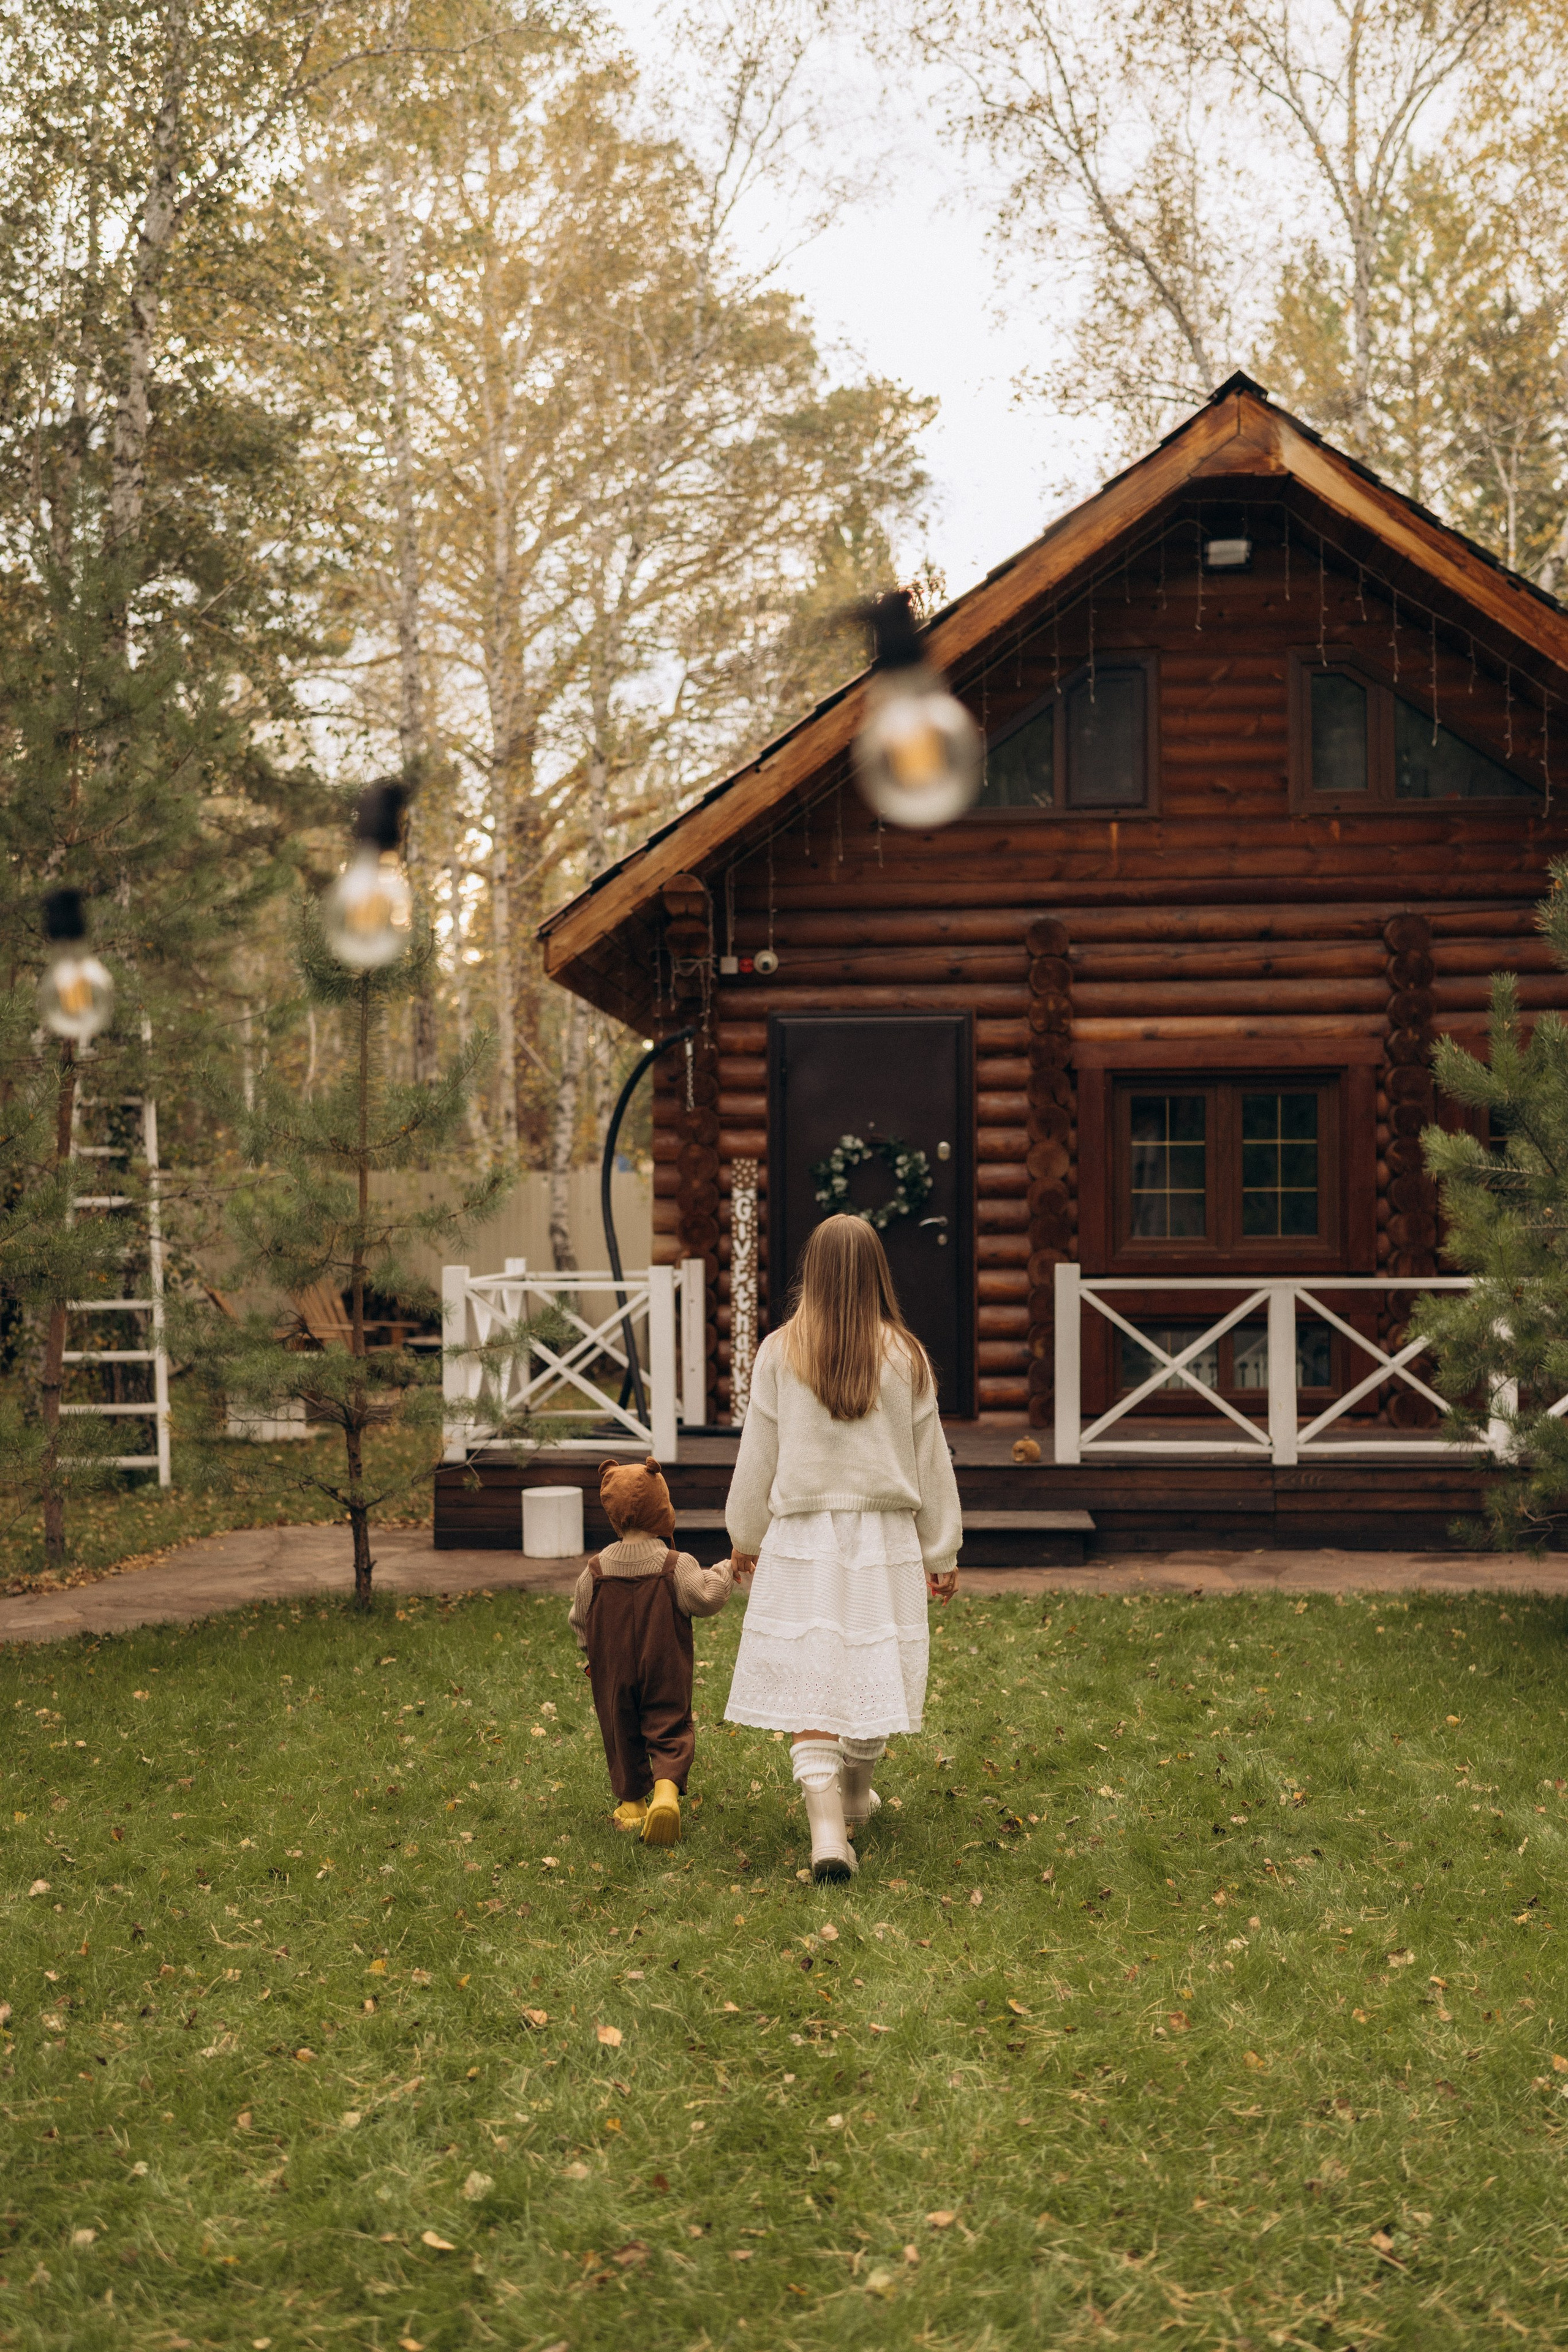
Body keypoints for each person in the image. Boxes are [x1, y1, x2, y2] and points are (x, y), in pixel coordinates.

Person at [722, 1214, 960, 1882]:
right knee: (867, 1664)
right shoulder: (906, 1356)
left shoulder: (778, 1352)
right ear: (878, 1272)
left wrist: (745, 1535)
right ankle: (854, 1793)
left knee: (814, 1680)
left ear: (813, 1272)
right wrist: (940, 1551)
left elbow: (757, 1457)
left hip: (801, 1541)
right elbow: (931, 1462)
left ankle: (830, 1827)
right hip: (883, 1542)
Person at [568, 1456, 734, 1847]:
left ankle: (631, 1804)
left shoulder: (594, 1570)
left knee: (619, 1726)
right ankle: (665, 1795)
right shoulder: (676, 1564)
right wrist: (725, 1571)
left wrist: (592, 1653)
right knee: (668, 1722)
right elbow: (706, 1598)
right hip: (664, 1663)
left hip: (612, 1668)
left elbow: (579, 1619)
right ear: (662, 1508)